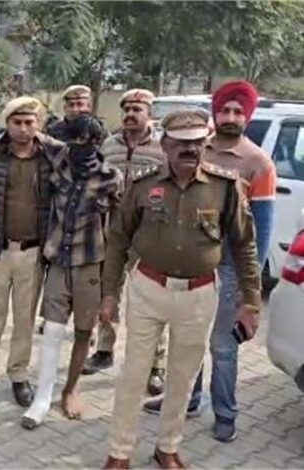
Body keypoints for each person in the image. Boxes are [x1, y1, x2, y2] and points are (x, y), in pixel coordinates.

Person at [100, 109, 260, 469]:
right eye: (181, 143)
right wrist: (109, 293)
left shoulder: (224, 186)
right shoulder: (143, 186)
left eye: (197, 143)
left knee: (183, 376)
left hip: (199, 295)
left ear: (205, 143)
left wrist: (250, 301)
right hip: (148, 289)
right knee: (134, 374)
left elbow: (244, 245)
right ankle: (120, 451)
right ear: (165, 145)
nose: (190, 149)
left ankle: (167, 447)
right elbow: (118, 239)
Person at [143, 81, 276, 443]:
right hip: (192, 263)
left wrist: (249, 291)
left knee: (222, 345)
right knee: (186, 339)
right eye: (225, 110)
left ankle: (225, 413)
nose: (231, 116)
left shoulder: (258, 164)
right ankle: (186, 401)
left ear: (248, 117)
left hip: (229, 269)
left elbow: (260, 235)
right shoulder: (197, 149)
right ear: (215, 112)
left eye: (238, 111)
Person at [22, 115, 122, 429]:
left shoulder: (111, 178)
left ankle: (70, 390)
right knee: (52, 331)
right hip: (57, 263)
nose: (74, 147)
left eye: (80, 142)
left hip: (90, 264)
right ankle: (42, 398)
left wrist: (112, 282)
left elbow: (120, 229)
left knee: (83, 332)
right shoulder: (59, 159)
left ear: (93, 142)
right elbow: (31, 133)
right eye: (71, 142)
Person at [0, 97, 55, 408]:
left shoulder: (50, 157)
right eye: (16, 122)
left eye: (29, 122)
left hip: (33, 253)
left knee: (24, 319)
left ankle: (18, 375)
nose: (23, 128)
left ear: (38, 125)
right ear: (6, 125)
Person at [83, 88, 168, 398]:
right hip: (112, 231)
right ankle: (104, 350)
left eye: (137, 109)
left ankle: (156, 365)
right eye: (127, 109)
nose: (131, 114)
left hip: (149, 234)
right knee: (107, 291)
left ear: (149, 114)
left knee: (152, 298)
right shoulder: (109, 145)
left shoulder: (163, 148)